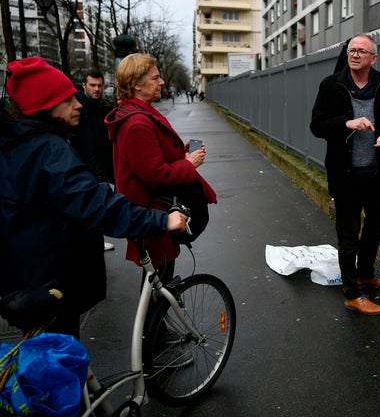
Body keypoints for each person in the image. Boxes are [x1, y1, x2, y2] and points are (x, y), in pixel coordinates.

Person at [0, 56, 188, 338]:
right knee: (59, 365)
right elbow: (94, 204)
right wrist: (160, 221)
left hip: (26, 279)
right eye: (67, 100)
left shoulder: (16, 145)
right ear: (46, 107)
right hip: (49, 285)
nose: (78, 104)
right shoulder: (49, 151)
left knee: (52, 359)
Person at [310, 33, 380, 316]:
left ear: (373, 58)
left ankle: (365, 273)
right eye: (352, 50)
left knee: (377, 224)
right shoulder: (332, 85)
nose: (355, 54)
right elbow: (316, 125)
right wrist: (346, 122)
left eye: (361, 51)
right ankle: (352, 294)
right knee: (348, 233)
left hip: (376, 172)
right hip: (345, 173)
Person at [105, 53, 217, 284]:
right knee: (158, 285)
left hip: (151, 215)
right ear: (136, 84)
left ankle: (155, 320)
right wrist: (188, 164)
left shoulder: (136, 113)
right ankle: (154, 321)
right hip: (153, 216)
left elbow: (147, 160)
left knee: (157, 284)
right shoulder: (137, 123)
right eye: (155, 78)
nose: (162, 82)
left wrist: (179, 153)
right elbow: (156, 176)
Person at [71, 69, 116, 251]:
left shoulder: (104, 108)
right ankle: (91, 241)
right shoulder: (78, 109)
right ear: (84, 86)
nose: (97, 89)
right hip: (84, 167)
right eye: (92, 85)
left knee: (96, 206)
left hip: (100, 166)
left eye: (99, 85)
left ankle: (96, 239)